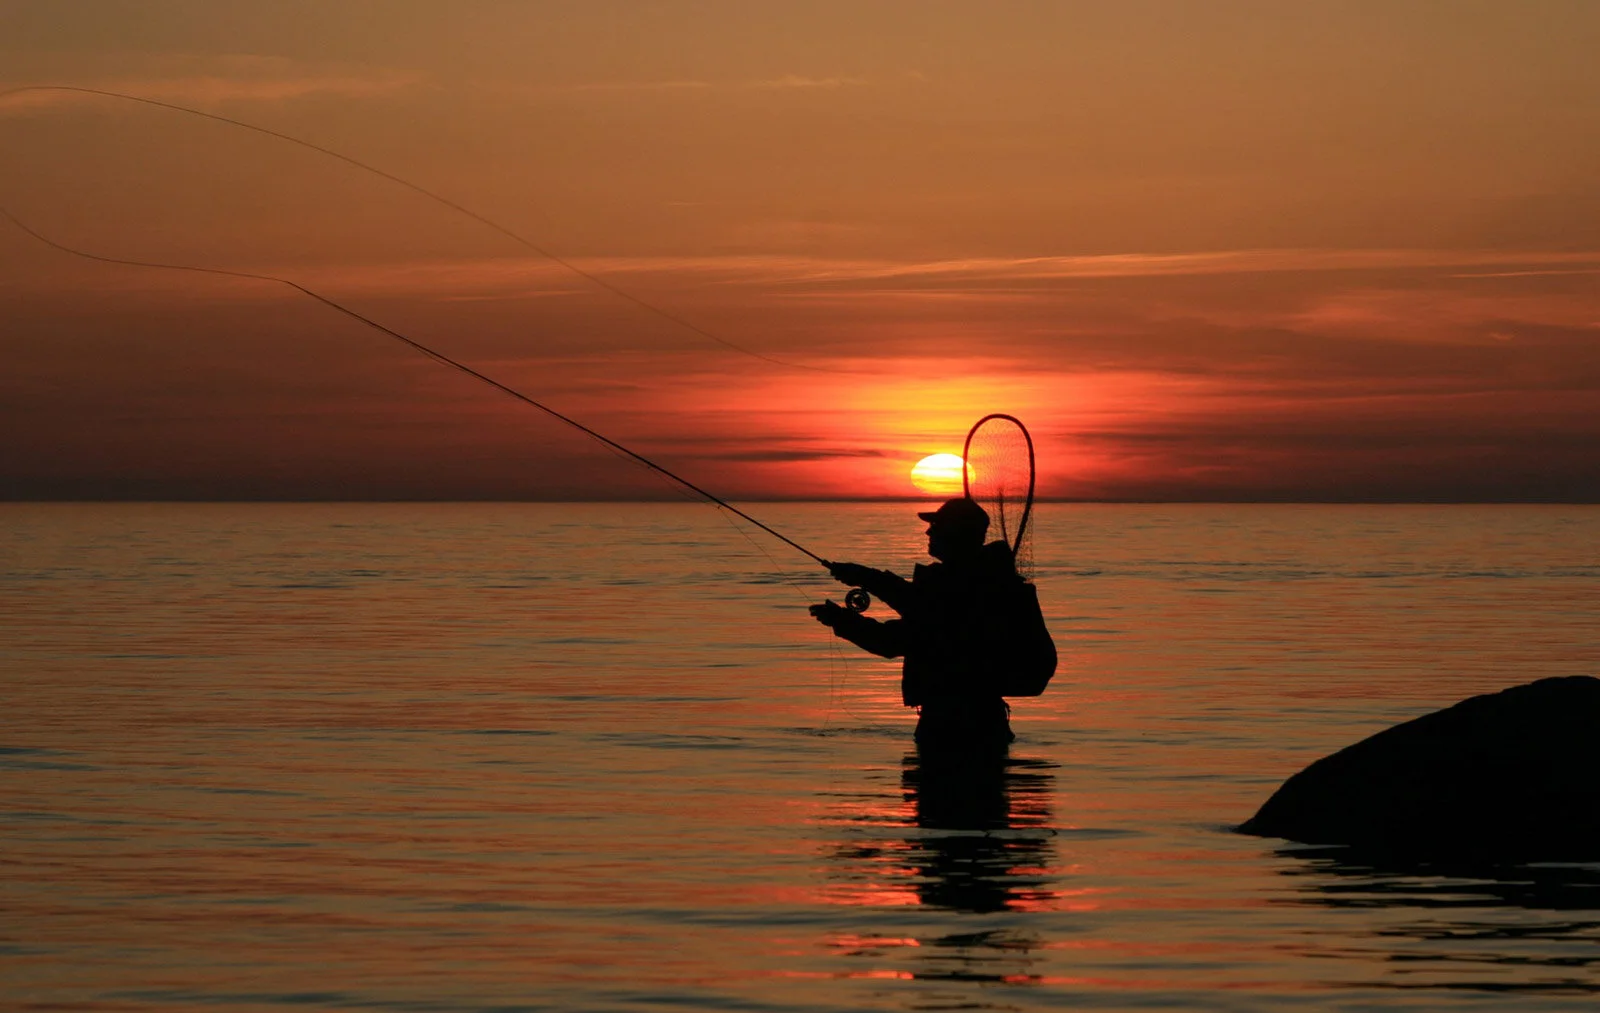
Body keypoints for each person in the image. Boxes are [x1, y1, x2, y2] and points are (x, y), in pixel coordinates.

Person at [810, 497, 1056, 753]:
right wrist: (863, 576)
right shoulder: (982, 581)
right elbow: (914, 602)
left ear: (956, 535)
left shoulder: (964, 590)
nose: (928, 532)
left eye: (936, 527)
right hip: (984, 721)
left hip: (952, 726)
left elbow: (897, 639)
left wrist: (842, 620)